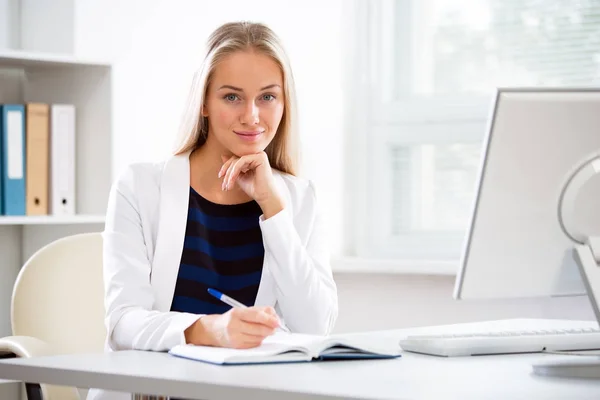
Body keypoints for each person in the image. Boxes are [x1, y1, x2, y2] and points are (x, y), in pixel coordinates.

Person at [87, 21, 338, 400]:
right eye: (232, 97)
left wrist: (273, 207)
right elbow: (123, 322)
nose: (252, 116)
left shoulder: (300, 200)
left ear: (285, 104)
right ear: (203, 102)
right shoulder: (139, 187)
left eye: (268, 97)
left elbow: (316, 327)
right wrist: (210, 331)